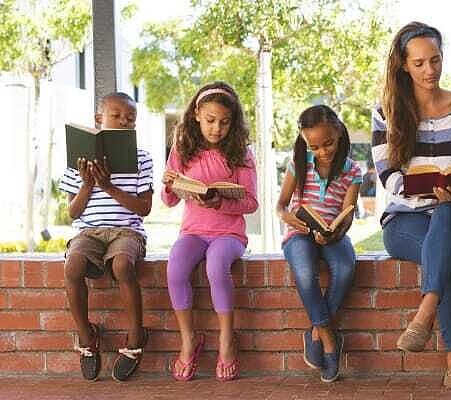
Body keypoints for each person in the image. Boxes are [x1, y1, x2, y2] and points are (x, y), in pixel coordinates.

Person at [371, 21, 451, 389]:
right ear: (404, 65)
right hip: (406, 221)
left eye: (435, 60)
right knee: (445, 254)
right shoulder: (386, 111)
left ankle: (425, 311)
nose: (429, 70)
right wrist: (423, 190)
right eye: (419, 63)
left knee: (448, 216)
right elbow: (387, 174)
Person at [161, 82, 258, 382]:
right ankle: (189, 339)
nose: (217, 129)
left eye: (225, 122)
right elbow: (168, 200)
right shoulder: (182, 149)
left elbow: (251, 202)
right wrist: (169, 184)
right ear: (196, 117)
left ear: (234, 122)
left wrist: (219, 202)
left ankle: (227, 339)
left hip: (228, 235)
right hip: (193, 232)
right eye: (210, 120)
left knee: (217, 267)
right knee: (175, 268)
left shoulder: (241, 153)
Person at [59, 92, 152, 382]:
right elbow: (73, 213)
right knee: (72, 266)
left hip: (127, 230)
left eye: (131, 118)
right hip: (89, 231)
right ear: (99, 119)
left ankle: (136, 336)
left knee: (122, 265)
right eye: (117, 116)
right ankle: (87, 337)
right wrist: (88, 184)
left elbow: (144, 208)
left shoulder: (141, 158)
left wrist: (108, 186)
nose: (124, 122)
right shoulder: (79, 159)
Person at [277, 105, 361, 383]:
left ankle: (315, 330)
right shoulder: (297, 164)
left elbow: (347, 214)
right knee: (303, 270)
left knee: (346, 266)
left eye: (328, 143)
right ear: (304, 141)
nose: (323, 151)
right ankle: (327, 339)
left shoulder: (352, 171)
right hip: (299, 231)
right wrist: (287, 215)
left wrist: (334, 231)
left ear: (339, 133)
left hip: (331, 232)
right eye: (314, 146)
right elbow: (280, 205)